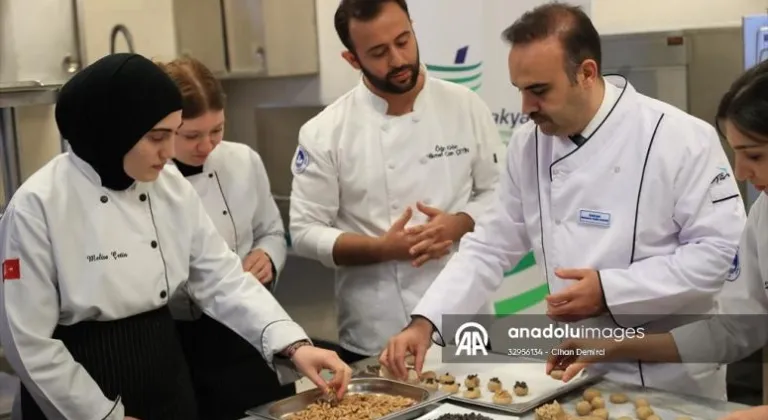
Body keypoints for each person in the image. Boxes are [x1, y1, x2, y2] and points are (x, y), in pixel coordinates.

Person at [380, 2, 746, 401]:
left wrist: (609, 290)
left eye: (539, 91)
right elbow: (490, 246)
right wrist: (425, 322)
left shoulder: (679, 139)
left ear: (586, 73)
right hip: (575, 371)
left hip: (671, 377)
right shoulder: (529, 145)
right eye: (520, 91)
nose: (525, 108)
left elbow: (720, 255)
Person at [0, 53, 351, 420]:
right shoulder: (37, 206)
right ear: (114, 132)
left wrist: (293, 344)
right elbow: (28, 342)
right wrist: (101, 416)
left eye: (172, 134)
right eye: (157, 137)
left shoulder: (169, 187)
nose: (169, 152)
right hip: (81, 388)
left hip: (166, 381)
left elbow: (222, 279)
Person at [545, 59, 768, 420]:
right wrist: (612, 347)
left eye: (754, 155)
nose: (741, 172)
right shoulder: (764, 217)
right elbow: (734, 329)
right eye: (737, 154)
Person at [288, 0, 505, 364]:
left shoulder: (465, 105)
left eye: (403, 41)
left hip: (465, 318)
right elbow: (305, 232)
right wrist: (383, 248)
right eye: (378, 52)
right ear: (352, 59)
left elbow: (500, 193)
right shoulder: (325, 131)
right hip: (377, 325)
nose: (398, 59)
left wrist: (459, 224)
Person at [157, 56, 295, 420]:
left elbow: (272, 230)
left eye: (217, 130)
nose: (207, 145)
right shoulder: (150, 179)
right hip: (180, 339)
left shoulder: (243, 161)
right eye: (191, 135)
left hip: (248, 330)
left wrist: (267, 256)